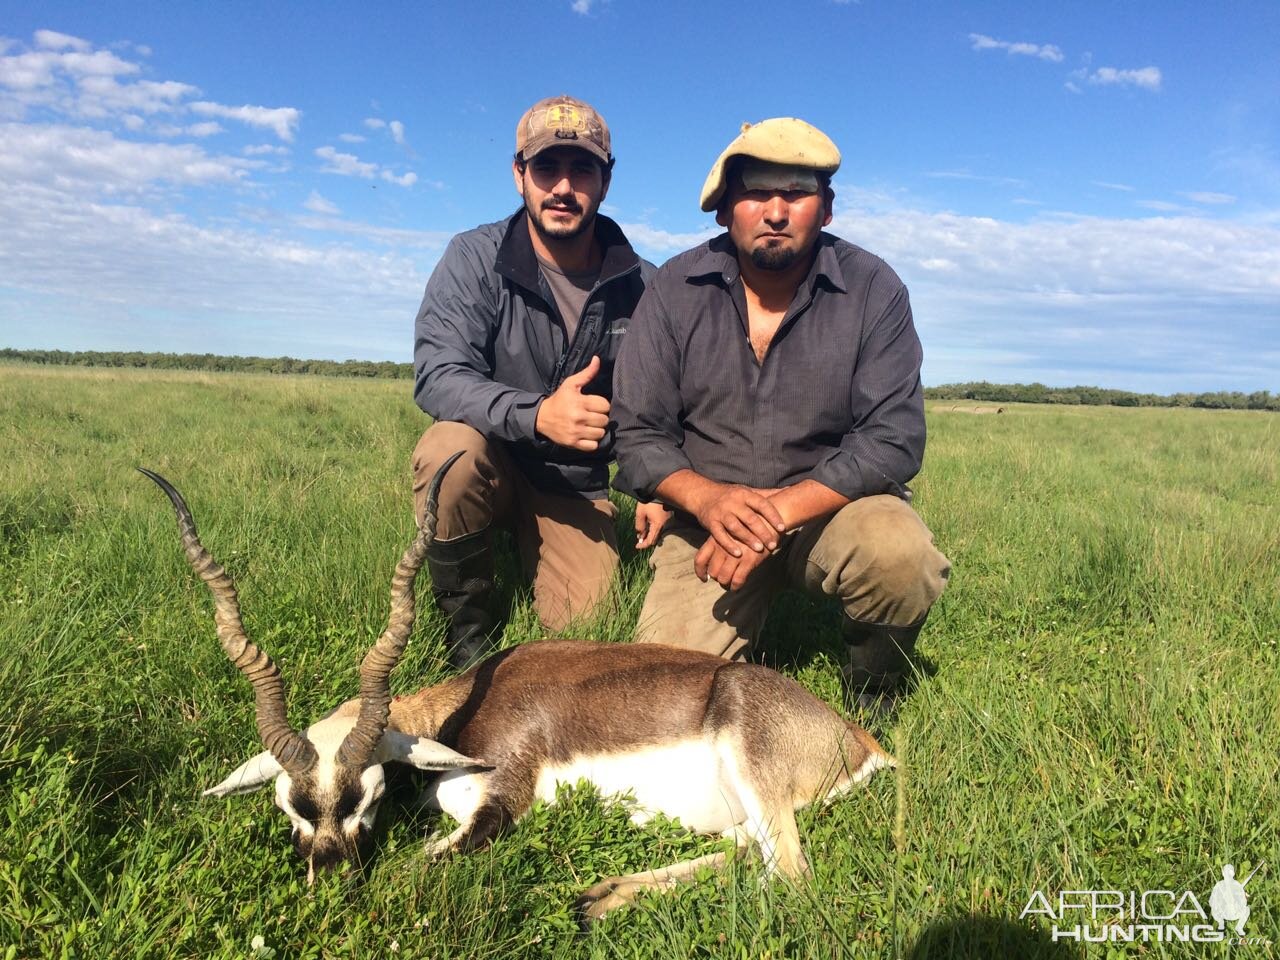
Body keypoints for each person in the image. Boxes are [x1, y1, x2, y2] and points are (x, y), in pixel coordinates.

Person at [612, 117, 950, 712]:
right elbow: (638, 432)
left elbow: (893, 439)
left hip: (826, 510)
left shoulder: (875, 289)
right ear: (723, 210)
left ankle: (874, 694)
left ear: (826, 208)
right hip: (708, 520)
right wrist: (710, 500)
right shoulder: (673, 289)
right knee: (662, 697)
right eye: (756, 193)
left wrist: (776, 512)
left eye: (796, 193)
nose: (776, 211)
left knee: (901, 555)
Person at [412, 95, 662, 669]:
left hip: (572, 484)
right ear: (519, 173)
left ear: (606, 180)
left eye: (583, 170)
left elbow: (661, 407)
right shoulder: (475, 257)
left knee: (585, 633)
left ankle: (536, 546)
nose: (563, 187)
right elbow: (438, 374)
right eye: (547, 168)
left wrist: (654, 487)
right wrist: (537, 414)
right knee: (448, 451)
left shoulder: (644, 285)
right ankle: (465, 639)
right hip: (492, 460)